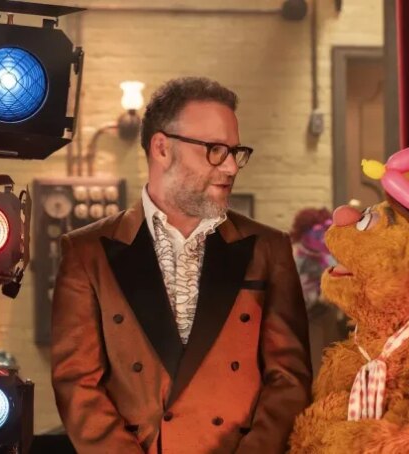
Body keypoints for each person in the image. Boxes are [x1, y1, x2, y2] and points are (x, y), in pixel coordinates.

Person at [51, 76, 312, 454]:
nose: (231, 167)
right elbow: (77, 385)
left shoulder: (268, 248)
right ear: (162, 148)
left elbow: (289, 380)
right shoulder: (86, 252)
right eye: (215, 150)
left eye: (235, 152)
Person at [290, 208, 347, 376]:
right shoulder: (295, 257)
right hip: (305, 322)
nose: (322, 238)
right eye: (317, 233)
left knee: (330, 365)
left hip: (327, 319)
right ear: (304, 233)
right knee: (313, 368)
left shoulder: (327, 256)